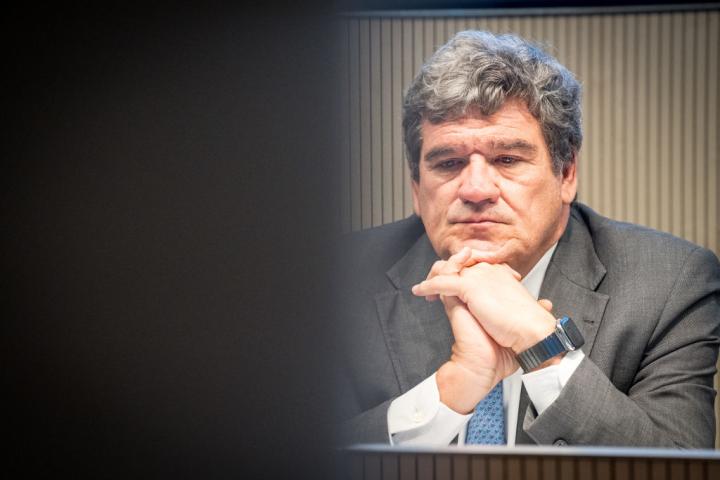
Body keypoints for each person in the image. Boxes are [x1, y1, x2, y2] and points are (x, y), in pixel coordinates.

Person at [335, 30, 720, 448]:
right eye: (448, 163)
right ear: (416, 186)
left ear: (566, 173)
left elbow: (679, 462)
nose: (476, 189)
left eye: (507, 159)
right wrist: (451, 390)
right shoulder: (337, 279)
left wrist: (543, 348)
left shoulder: (669, 283)